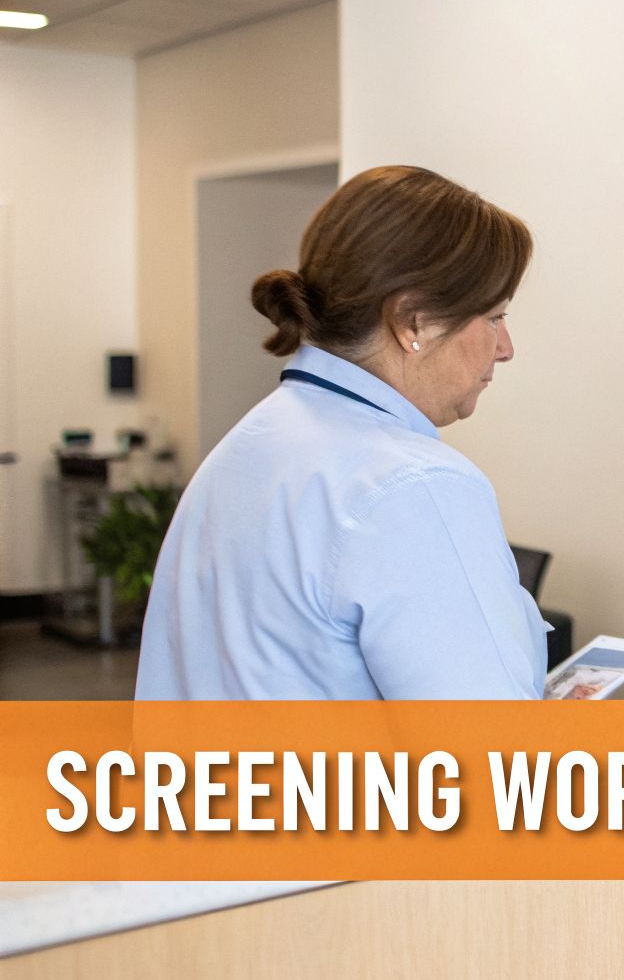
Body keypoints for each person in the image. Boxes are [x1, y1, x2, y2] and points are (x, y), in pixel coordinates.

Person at [136, 165, 547, 700]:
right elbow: (492, 759)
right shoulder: (413, 484)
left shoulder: (251, 442)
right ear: (412, 321)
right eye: (494, 316)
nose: (505, 346)